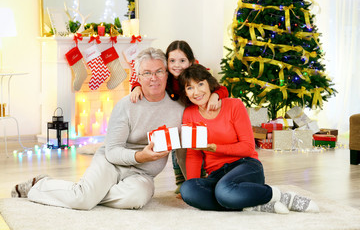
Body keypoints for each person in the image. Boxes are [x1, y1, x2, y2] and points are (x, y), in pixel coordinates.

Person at [11, 47, 185, 210]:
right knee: (82, 200)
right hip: (111, 163)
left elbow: (185, 150)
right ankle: (41, 185)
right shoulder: (126, 105)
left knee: (136, 199)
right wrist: (140, 156)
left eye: (159, 71)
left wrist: (187, 183)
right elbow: (112, 152)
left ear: (166, 74)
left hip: (143, 175)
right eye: (147, 73)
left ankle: (88, 193)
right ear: (138, 77)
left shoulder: (179, 109)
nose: (153, 78)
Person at [178, 64, 319, 213]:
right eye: (190, 88)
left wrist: (215, 148)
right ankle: (252, 204)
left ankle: (281, 197)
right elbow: (193, 154)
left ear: (209, 84)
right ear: (185, 93)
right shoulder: (189, 114)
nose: (196, 92)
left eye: (200, 84)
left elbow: (248, 148)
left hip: (245, 166)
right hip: (216, 175)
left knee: (223, 191)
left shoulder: (234, 105)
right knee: (188, 190)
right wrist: (192, 183)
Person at [130, 40, 229, 193]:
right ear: (166, 63)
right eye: (172, 61)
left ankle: (201, 178)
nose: (177, 65)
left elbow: (220, 88)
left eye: (182, 61)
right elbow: (149, 79)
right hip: (176, 117)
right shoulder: (166, 77)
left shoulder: (196, 74)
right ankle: (182, 180)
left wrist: (216, 95)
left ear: (191, 61)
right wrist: (136, 86)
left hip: (197, 116)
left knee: (193, 147)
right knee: (178, 147)